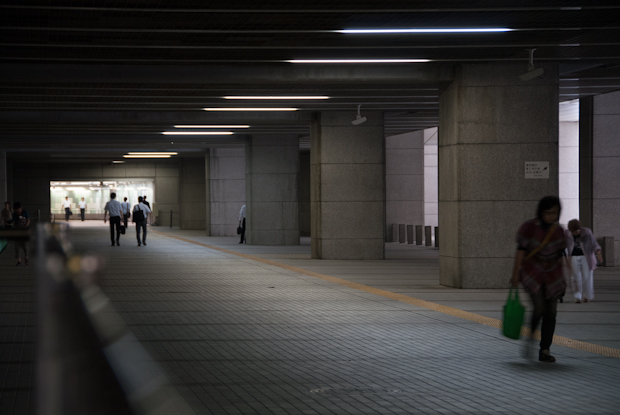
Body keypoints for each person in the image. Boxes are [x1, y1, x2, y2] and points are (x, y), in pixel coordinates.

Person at [510, 196, 570, 363]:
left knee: (551, 313)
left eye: (555, 213)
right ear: (541, 212)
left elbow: (561, 253)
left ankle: (545, 349)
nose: (552, 216)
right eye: (548, 212)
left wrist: (564, 276)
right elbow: (521, 250)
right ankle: (530, 336)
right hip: (533, 274)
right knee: (539, 309)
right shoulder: (529, 227)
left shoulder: (559, 231)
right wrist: (515, 274)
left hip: (553, 276)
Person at [565, 219, 602, 303]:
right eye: (574, 232)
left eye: (578, 231)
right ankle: (577, 297)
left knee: (587, 276)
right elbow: (564, 244)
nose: (576, 233)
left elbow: (594, 244)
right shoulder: (567, 233)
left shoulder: (587, 232)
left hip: (587, 256)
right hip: (573, 256)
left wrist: (599, 254)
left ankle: (587, 296)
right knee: (575, 276)